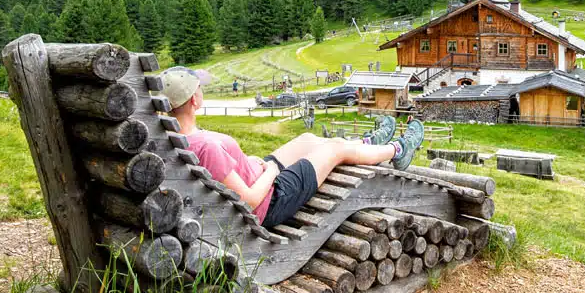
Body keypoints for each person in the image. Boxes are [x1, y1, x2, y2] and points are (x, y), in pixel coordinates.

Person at [159, 66, 422, 229]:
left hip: (257, 176)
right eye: (199, 89)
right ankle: (398, 150)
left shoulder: (177, 137)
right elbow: (248, 202)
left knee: (307, 139)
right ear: (194, 100)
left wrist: (249, 161)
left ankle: (366, 145)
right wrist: (272, 171)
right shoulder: (205, 146)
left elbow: (222, 170)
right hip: (271, 200)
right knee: (335, 149)